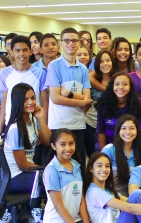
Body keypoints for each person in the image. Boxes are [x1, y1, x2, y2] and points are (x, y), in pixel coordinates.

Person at [35, 129, 108, 223]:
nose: (68, 148)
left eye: (71, 143)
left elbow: (80, 200)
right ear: (53, 146)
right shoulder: (51, 170)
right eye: (62, 144)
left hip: (75, 219)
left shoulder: (76, 166)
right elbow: (59, 207)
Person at [1, 83, 51, 223]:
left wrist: (41, 118)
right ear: (18, 102)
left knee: (55, 177)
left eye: (33, 98)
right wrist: (44, 170)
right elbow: (23, 165)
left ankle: (35, 207)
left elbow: (48, 140)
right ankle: (38, 210)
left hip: (28, 172)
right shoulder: (16, 129)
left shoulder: (32, 120)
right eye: (25, 99)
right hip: (14, 178)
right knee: (54, 181)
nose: (31, 102)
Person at [45, 27, 93, 160]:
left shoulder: (83, 68)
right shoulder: (54, 66)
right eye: (66, 40)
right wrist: (82, 101)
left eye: (74, 40)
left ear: (79, 43)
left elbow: (88, 98)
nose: (70, 43)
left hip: (78, 123)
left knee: (78, 161)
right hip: (58, 124)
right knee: (59, 162)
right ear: (61, 44)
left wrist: (68, 94)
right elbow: (55, 98)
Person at [0, 35, 48, 133]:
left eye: (25, 50)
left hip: (35, 124)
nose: (21, 54)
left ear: (31, 51)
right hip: (12, 124)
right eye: (17, 50)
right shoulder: (4, 73)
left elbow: (45, 102)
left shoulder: (39, 73)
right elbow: (4, 102)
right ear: (12, 52)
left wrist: (43, 125)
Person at [95, 72, 141, 150]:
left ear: (130, 86)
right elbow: (101, 131)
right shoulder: (103, 103)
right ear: (112, 86)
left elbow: (139, 131)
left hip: (130, 146)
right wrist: (104, 152)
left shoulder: (137, 103)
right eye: (117, 84)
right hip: (109, 145)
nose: (121, 87)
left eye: (125, 84)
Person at [85, 51, 116, 157]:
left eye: (108, 60)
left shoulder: (117, 80)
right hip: (91, 123)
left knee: (109, 155)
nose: (105, 63)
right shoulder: (93, 80)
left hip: (110, 124)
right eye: (101, 61)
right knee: (93, 156)